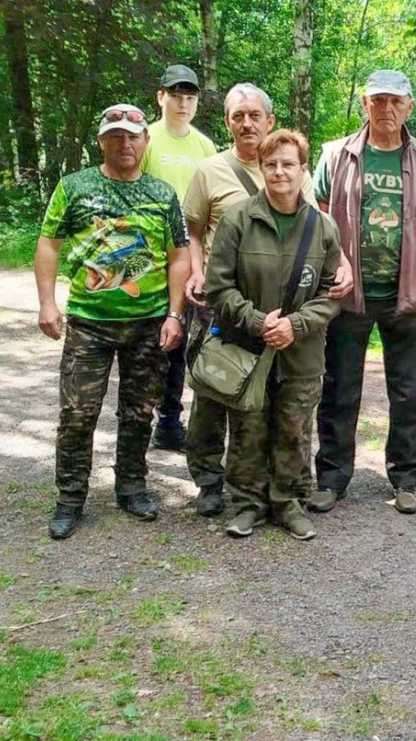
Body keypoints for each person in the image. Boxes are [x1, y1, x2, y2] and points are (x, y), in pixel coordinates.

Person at [182, 83, 350, 518]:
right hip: (244, 334)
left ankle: (288, 501)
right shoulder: (237, 214)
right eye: (271, 165)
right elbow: (216, 277)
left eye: (288, 165)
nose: (279, 172)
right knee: (246, 422)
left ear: (302, 170)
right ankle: (243, 502)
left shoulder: (322, 226)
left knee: (295, 425)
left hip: (301, 346)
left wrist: (295, 324)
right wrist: (258, 322)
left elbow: (329, 290)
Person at [34, 103, 190, 540]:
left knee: (140, 412)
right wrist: (48, 303)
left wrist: (176, 313)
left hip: (149, 321)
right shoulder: (74, 187)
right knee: (78, 413)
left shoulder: (162, 194)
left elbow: (180, 255)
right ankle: (69, 498)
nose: (125, 143)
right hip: (89, 321)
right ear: (101, 141)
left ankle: (132, 485)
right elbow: (48, 245)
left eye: (133, 136)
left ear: (145, 142)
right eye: (115, 136)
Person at [312, 70, 416, 516]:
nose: (386, 109)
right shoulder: (336, 155)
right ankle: (332, 479)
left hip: (406, 293)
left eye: (395, 101)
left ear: (410, 106)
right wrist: (338, 263)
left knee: (408, 391)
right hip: (350, 294)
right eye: (378, 100)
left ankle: (407, 479)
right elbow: (318, 213)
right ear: (365, 104)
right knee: (339, 387)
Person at [140, 63, 217, 452]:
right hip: (150, 256)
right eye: (176, 95)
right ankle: (146, 417)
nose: (183, 103)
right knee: (155, 339)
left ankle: (172, 420)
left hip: (193, 257)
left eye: (190, 96)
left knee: (187, 339)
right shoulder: (146, 140)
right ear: (161, 97)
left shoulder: (205, 147)